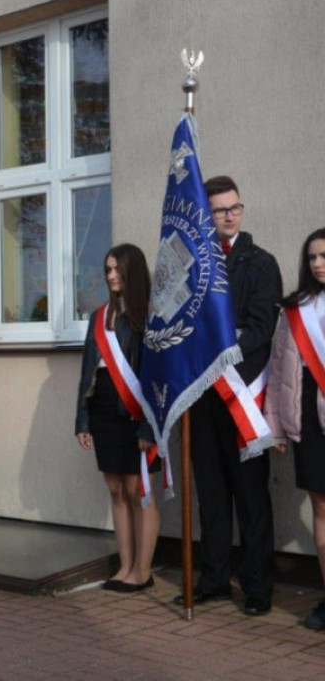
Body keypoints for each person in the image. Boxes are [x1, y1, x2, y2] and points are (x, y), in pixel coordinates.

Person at [176, 175, 282, 615]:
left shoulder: (260, 263)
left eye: (234, 207)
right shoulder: (194, 264)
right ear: (208, 214)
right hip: (202, 398)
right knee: (212, 494)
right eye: (219, 210)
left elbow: (261, 329)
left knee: (251, 496)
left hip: (244, 396)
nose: (229, 214)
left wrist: (224, 349)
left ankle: (257, 585)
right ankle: (215, 578)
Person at [75, 244, 161, 593]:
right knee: (115, 489)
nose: (111, 276)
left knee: (138, 489)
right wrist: (81, 419)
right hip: (103, 407)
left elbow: (157, 377)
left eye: (117, 270)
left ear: (132, 273)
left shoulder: (149, 316)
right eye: (108, 269)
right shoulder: (100, 316)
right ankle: (124, 566)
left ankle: (143, 571)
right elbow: (86, 370)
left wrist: (148, 426)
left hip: (136, 410)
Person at [264, 228, 325, 629]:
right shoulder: (295, 309)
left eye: (324, 256)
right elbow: (279, 368)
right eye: (312, 257)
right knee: (322, 507)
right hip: (310, 422)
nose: (318, 263)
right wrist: (277, 428)